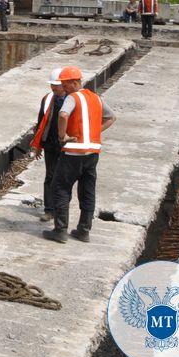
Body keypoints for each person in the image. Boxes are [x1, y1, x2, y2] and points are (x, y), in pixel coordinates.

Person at [42, 67, 116, 244]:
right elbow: (111, 117)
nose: (63, 89)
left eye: (65, 85)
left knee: (60, 188)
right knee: (87, 191)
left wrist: (62, 137)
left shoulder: (73, 97)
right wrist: (93, 133)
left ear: (74, 83)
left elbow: (63, 114)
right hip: (92, 153)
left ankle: (60, 230)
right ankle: (84, 230)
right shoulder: (96, 98)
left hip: (74, 152)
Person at [29, 68, 66, 222]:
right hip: (51, 144)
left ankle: (61, 209)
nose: (53, 87)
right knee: (50, 176)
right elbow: (40, 123)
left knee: (64, 178)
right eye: (52, 85)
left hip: (67, 146)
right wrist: (37, 145)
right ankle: (49, 210)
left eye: (56, 85)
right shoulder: (48, 99)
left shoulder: (73, 99)